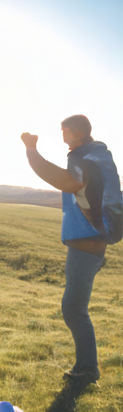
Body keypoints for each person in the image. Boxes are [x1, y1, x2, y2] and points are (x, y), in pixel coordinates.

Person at [21, 115, 122, 384]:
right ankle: (86, 367)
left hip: (87, 243)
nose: (62, 136)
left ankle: (88, 369)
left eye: (64, 131)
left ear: (76, 133)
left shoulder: (82, 157)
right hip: (92, 240)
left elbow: (68, 182)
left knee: (74, 307)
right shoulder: (96, 155)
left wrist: (32, 151)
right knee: (75, 306)